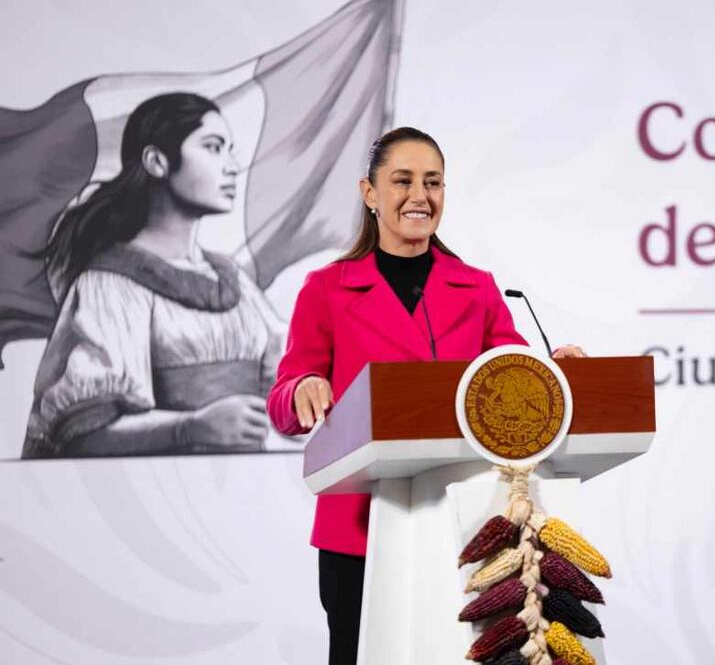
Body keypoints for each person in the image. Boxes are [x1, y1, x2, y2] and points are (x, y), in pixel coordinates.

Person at [266, 127, 584, 664]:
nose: (420, 195)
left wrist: (554, 373)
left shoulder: (477, 287)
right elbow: (283, 398)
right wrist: (302, 389)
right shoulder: (327, 288)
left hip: (458, 522)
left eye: (433, 182)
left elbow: (513, 374)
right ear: (370, 194)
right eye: (403, 181)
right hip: (359, 530)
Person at [22, 92, 281, 458]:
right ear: (157, 161)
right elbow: (83, 435)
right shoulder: (110, 285)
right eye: (213, 147)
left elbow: (285, 380)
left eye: (229, 149)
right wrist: (191, 427)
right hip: (156, 494)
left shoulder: (234, 280)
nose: (231, 166)